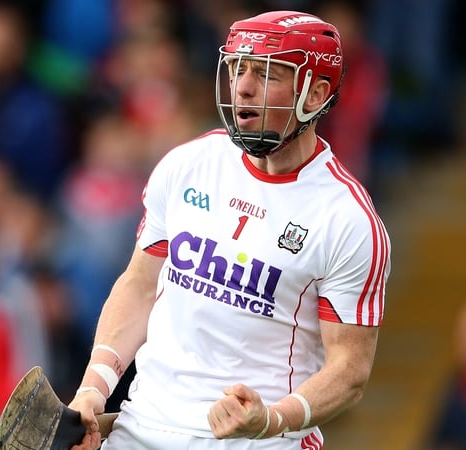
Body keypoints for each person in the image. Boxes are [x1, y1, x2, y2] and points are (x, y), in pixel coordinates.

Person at [67, 10, 392, 450]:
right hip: (140, 429)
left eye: (268, 73)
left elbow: (350, 371)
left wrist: (271, 419)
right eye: (239, 68)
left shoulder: (348, 220)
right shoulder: (187, 165)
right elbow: (141, 285)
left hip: (260, 442)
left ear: (315, 95)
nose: (243, 87)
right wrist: (94, 387)